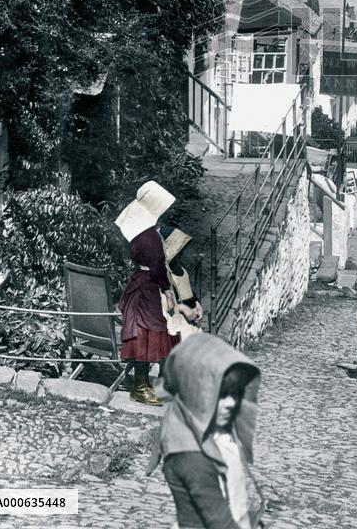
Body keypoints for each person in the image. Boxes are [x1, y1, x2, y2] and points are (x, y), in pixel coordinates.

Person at [152, 333, 264, 529]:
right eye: (221, 395)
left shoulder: (209, 428)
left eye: (235, 394)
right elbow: (220, 523)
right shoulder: (191, 455)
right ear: (195, 394)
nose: (231, 403)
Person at [115, 181, 180, 406]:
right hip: (148, 287)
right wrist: (168, 291)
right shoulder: (149, 236)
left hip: (139, 282)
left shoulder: (138, 232)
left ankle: (150, 384)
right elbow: (157, 267)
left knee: (145, 332)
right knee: (149, 333)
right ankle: (140, 387)